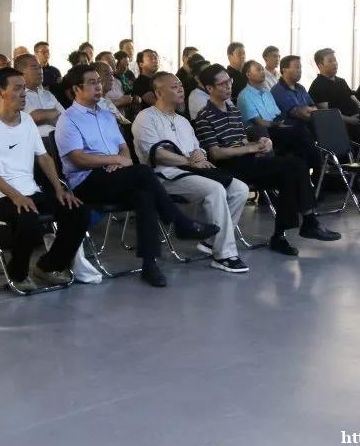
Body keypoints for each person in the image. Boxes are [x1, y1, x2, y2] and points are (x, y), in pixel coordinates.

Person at [55, 65, 219, 287]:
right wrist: (114, 159)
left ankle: (150, 265)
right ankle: (180, 222)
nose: (99, 86)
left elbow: (124, 148)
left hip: (116, 175)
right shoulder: (68, 119)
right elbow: (78, 158)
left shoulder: (106, 115)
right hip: (86, 181)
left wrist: (119, 160)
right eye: (92, 83)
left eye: (99, 82)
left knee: (145, 196)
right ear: (76, 89)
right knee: (143, 171)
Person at [195, 64, 341, 256]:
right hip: (229, 168)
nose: (228, 86)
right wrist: (251, 148)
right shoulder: (204, 116)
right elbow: (216, 154)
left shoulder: (233, 110)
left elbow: (242, 141)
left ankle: (282, 235)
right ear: (209, 88)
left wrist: (260, 143)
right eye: (222, 84)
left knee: (292, 172)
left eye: (229, 81)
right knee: (293, 165)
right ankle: (308, 222)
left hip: (248, 162)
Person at [0, 68, 90, 290]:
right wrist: (16, 196)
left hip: (30, 191)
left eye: (24, 88)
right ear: (0, 92)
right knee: (28, 217)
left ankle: (49, 266)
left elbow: (44, 157)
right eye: (17, 88)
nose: (23, 93)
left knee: (78, 211)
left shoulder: (27, 120)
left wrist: (59, 189)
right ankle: (17, 274)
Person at [131, 72, 250, 273]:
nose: (180, 89)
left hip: (192, 172)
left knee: (240, 189)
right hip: (164, 176)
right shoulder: (146, 118)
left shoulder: (183, 121)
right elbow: (157, 154)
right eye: (174, 87)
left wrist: (199, 156)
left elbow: (198, 149)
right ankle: (225, 255)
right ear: (159, 93)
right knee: (215, 189)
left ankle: (212, 241)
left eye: (180, 86)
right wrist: (189, 161)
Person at [238, 60, 319, 175]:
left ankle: (312, 168)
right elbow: (258, 122)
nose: (263, 72)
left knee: (303, 134)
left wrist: (280, 124)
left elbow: (276, 114)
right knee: (300, 133)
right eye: (258, 70)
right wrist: (276, 124)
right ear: (248, 74)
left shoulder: (267, 92)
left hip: (274, 127)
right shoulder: (244, 95)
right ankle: (317, 167)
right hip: (259, 132)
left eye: (262, 69)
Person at [308, 48, 360, 135]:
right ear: (320, 65)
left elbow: (354, 99)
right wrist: (350, 120)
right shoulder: (318, 85)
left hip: (356, 122)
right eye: (330, 61)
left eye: (335, 60)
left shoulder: (341, 81)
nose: (335, 63)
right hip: (338, 128)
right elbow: (327, 113)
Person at [16, 53, 65, 137]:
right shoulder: (17, 95)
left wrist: (45, 118)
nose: (40, 71)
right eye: (34, 68)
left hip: (58, 138)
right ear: (21, 73)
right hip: (35, 141)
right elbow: (34, 117)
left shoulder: (47, 94)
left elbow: (65, 116)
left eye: (40, 67)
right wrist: (55, 112)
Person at [93, 60, 131, 125]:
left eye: (112, 74)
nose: (112, 78)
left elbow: (125, 123)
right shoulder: (92, 104)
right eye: (106, 74)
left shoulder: (105, 101)